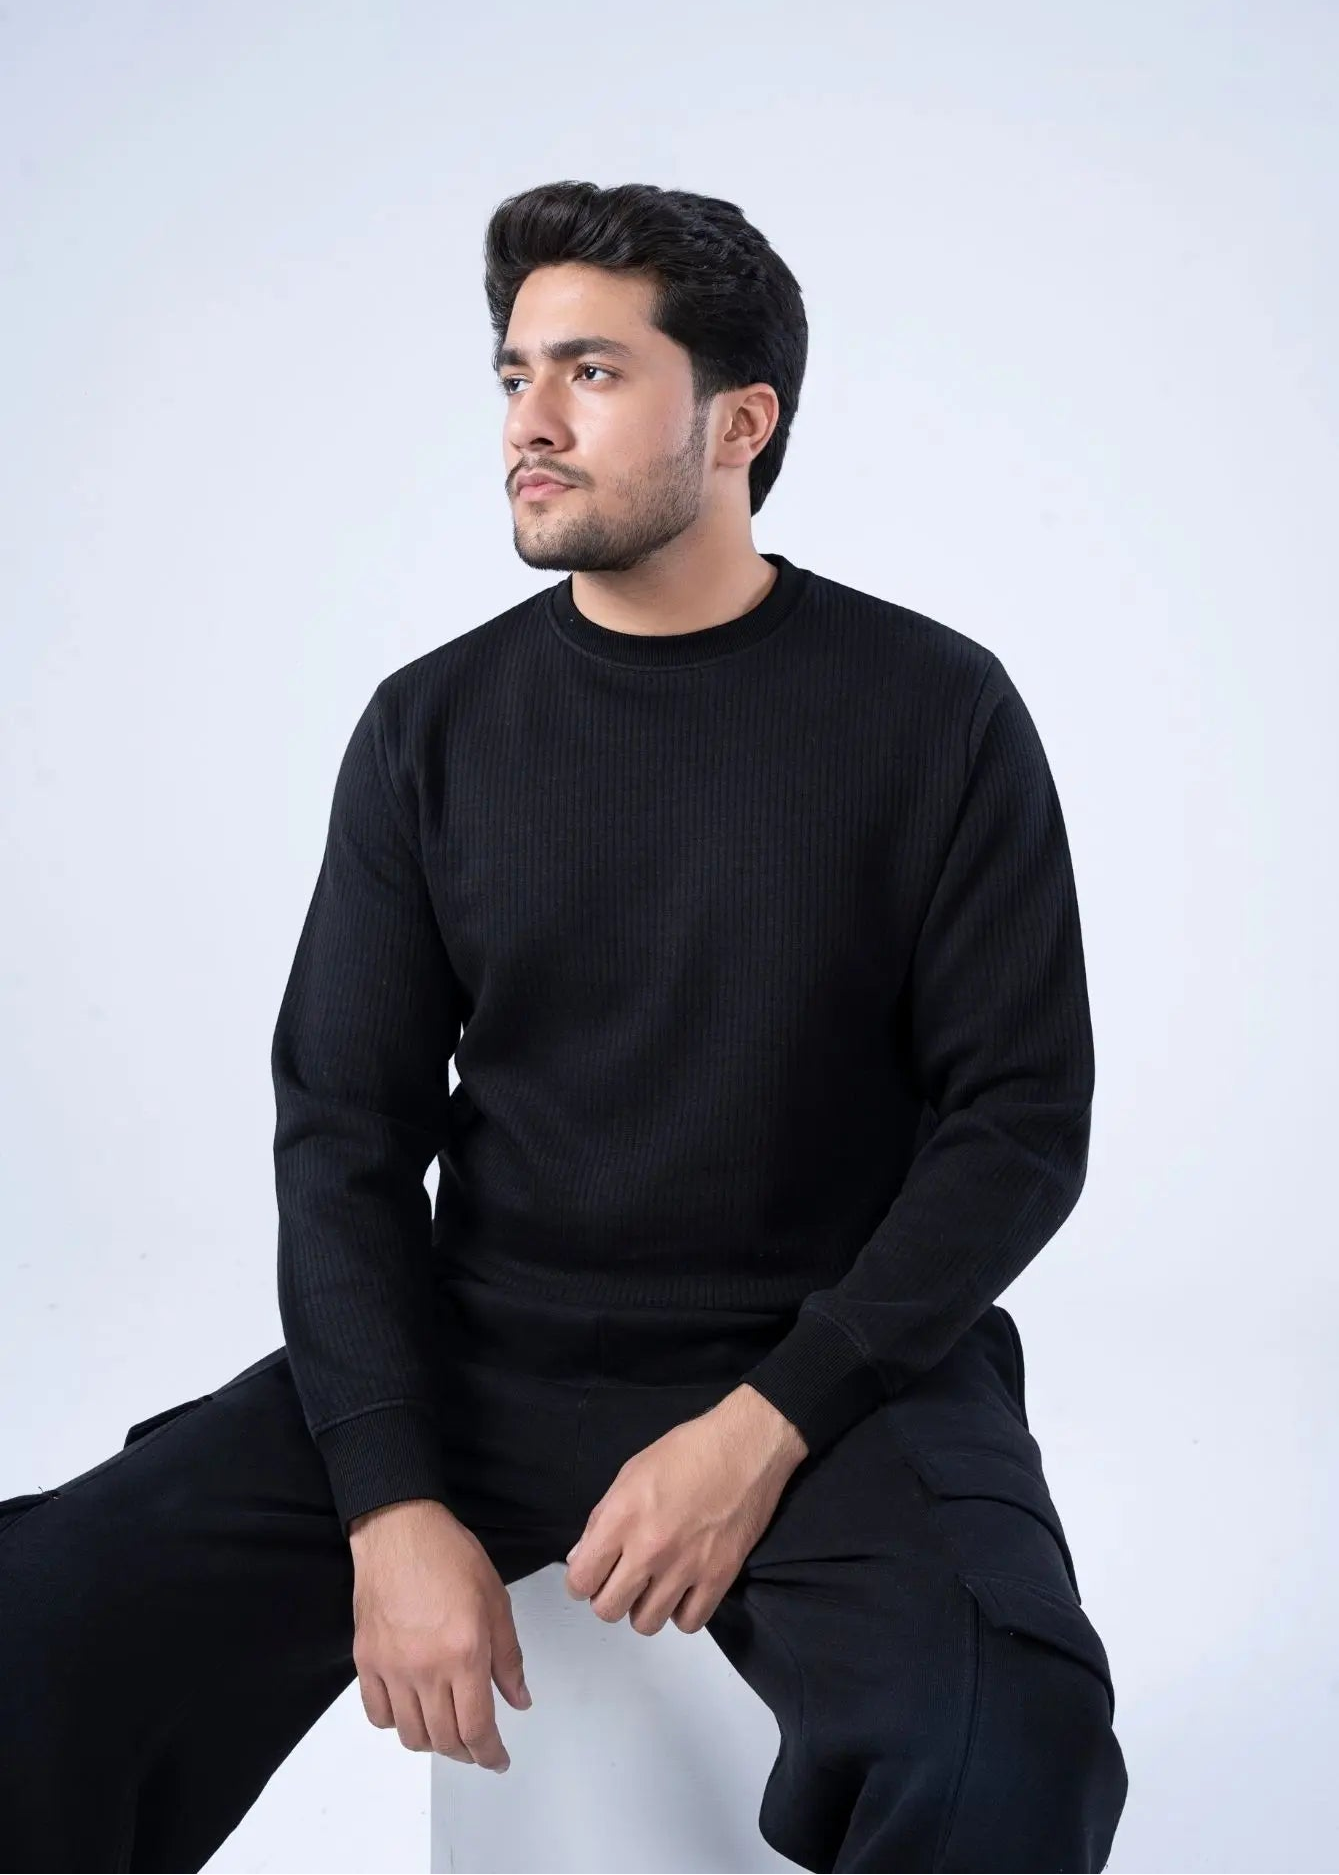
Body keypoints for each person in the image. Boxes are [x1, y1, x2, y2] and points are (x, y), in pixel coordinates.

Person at [0, 179, 1128, 1874]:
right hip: (483, 1350)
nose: (528, 420)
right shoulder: (432, 727)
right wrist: (390, 1500)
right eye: (515, 373)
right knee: (36, 1616)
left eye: (591, 371)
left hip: (834, 1376)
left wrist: (763, 1423)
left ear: (738, 421)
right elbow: (345, 1135)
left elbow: (1019, 1124)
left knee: (1008, 1747)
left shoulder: (933, 709)